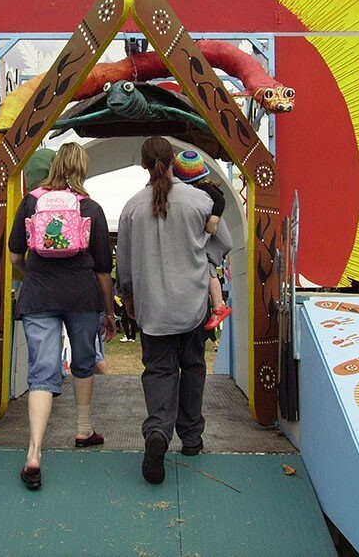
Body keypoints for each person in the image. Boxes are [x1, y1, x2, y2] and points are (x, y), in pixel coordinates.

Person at [116, 136, 232, 484]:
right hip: (192, 304)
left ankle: (157, 431)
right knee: (193, 367)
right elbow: (224, 242)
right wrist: (204, 261)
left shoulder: (132, 207)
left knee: (159, 370)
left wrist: (128, 297)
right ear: (173, 163)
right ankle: (192, 438)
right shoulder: (200, 201)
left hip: (152, 307)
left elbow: (124, 264)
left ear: (143, 165)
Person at [8, 142, 116, 491]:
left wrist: (32, 276)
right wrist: (110, 312)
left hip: (39, 294)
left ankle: (34, 453)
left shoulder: (30, 202)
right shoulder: (91, 208)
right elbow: (103, 270)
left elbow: (14, 256)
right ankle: (83, 429)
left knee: (42, 371)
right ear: (82, 168)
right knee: (83, 361)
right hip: (82, 295)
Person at [171, 149, 232, 330]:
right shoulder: (203, 189)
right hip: (217, 241)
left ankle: (218, 305)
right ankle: (217, 305)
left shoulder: (203, 190)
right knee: (207, 267)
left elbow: (220, 200)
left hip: (216, 240)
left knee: (207, 266)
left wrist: (213, 220)